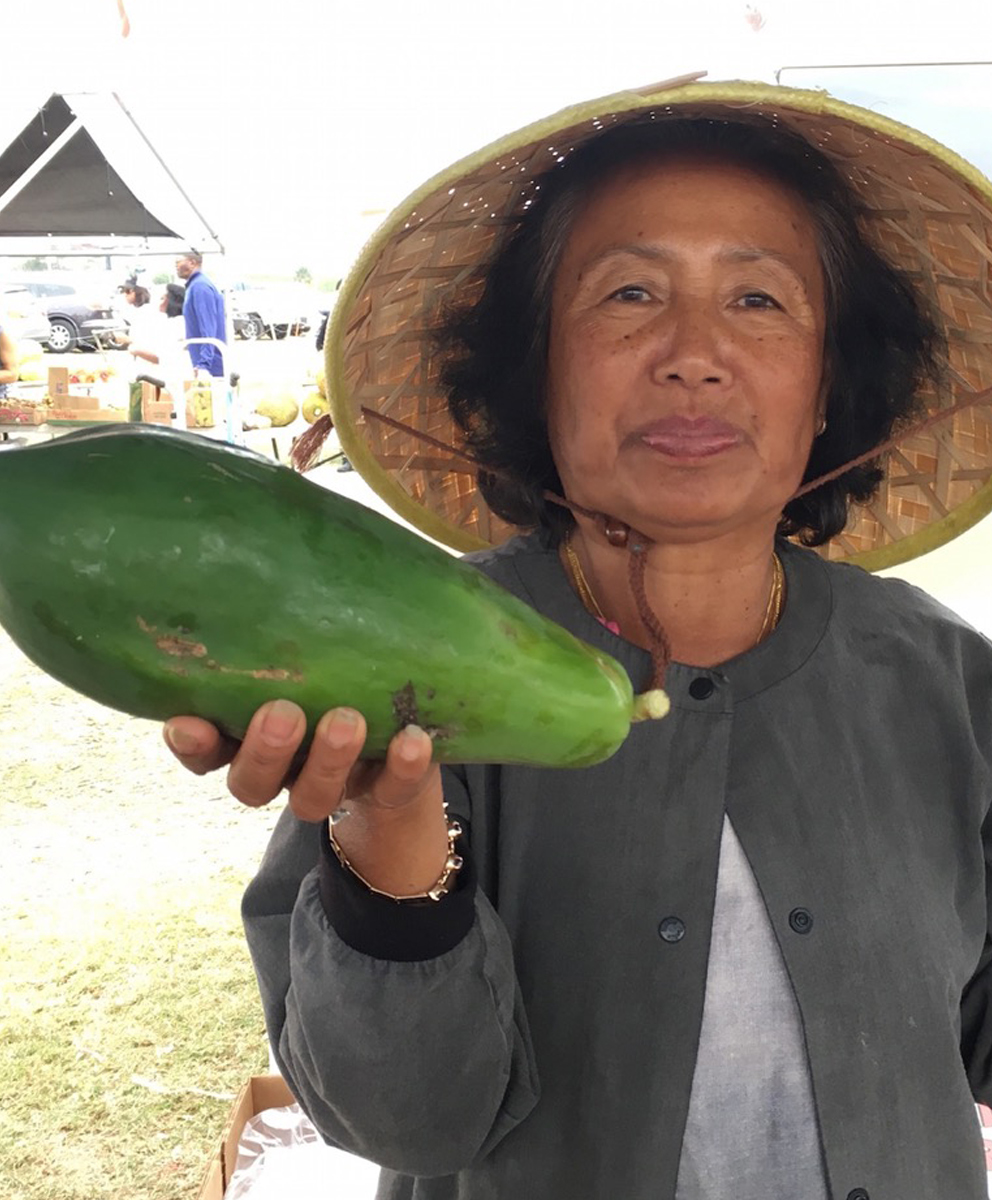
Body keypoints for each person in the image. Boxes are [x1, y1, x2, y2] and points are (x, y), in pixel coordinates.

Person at [164, 82, 992, 1197]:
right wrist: (390, 828)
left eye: (758, 298)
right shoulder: (401, 673)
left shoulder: (945, 680)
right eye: (630, 292)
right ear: (535, 368)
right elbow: (406, 1120)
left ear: (830, 379)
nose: (694, 353)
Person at [175, 249, 226, 378]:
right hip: (206, 361)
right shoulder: (195, 286)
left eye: (178, 261)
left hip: (211, 365)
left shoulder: (200, 287)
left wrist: (204, 364)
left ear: (192, 263)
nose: (175, 265)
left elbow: (208, 327)